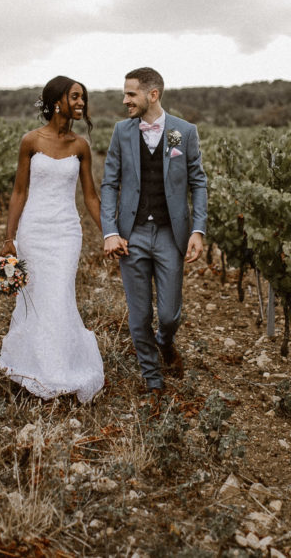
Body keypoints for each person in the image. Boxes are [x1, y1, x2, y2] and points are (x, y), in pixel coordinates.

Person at [101, 67, 208, 396]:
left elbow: (198, 182)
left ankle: (165, 340)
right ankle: (153, 379)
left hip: (168, 234)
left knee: (169, 313)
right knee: (139, 314)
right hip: (130, 235)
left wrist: (198, 229)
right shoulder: (122, 131)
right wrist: (109, 231)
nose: (125, 100)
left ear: (153, 94)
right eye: (125, 94)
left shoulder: (182, 132)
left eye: (131, 94)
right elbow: (110, 183)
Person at [0, 75, 104, 403]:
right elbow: (19, 192)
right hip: (34, 231)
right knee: (37, 298)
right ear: (57, 100)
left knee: (59, 295)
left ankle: (61, 370)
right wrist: (9, 238)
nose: (81, 103)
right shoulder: (30, 141)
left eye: (82, 98)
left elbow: (90, 197)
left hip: (66, 233)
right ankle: (34, 368)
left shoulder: (80, 146)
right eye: (75, 97)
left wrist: (111, 234)